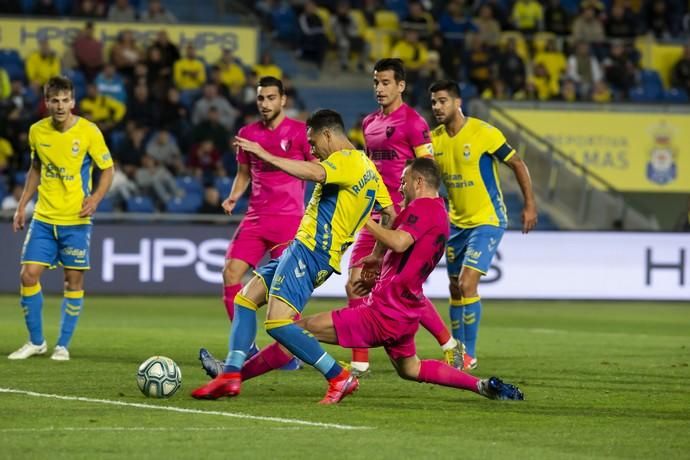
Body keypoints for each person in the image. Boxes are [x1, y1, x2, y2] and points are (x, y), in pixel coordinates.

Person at [194, 158, 524, 404]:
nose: (401, 186)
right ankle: (481, 385)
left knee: (291, 332)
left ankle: (233, 375)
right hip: (404, 313)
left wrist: (363, 217)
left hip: (382, 314)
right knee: (411, 369)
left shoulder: (424, 207)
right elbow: (400, 250)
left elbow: (399, 241)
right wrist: (378, 259)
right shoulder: (435, 211)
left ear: (420, 182)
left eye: (406, 181)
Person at [191, 109, 394, 404]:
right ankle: (231, 375)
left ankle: (338, 375)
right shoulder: (369, 169)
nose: (312, 150)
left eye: (313, 143)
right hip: (308, 250)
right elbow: (389, 213)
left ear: (328, 134)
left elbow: (313, 173)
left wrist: (266, 155)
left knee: (277, 324)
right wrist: (376, 256)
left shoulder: (344, 160)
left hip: (312, 250)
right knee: (245, 299)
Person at [346, 58, 462, 375]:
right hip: (377, 210)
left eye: (386, 82)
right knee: (366, 282)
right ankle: (450, 347)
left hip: (403, 216)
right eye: (376, 82)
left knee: (391, 286)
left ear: (401, 85)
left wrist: (428, 211)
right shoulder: (369, 123)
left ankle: (360, 361)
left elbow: (428, 170)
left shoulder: (413, 122)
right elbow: (373, 166)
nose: (379, 88)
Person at [199, 77, 315, 373]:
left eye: (271, 98)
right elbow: (243, 172)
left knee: (285, 292)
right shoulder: (248, 133)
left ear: (283, 100)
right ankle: (248, 349)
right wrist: (233, 196)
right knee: (230, 273)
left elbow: (316, 170)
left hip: (289, 221)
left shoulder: (301, 133)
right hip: (255, 218)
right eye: (261, 98)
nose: (265, 104)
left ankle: (286, 355)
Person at [428, 79, 538, 370]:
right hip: (456, 225)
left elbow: (517, 164)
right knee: (454, 288)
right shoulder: (434, 140)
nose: (437, 107)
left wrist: (529, 204)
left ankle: (469, 353)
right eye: (434, 102)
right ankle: (457, 351)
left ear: (457, 102)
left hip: (487, 219)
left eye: (443, 101)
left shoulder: (484, 132)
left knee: (467, 283)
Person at [8, 75, 114, 361]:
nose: (60, 105)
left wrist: (95, 199)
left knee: (73, 281)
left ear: (73, 101)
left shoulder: (89, 132)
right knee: (28, 275)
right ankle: (36, 341)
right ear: (46, 102)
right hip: (44, 217)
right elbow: (35, 169)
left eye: (65, 100)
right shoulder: (37, 132)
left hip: (76, 219)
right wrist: (21, 206)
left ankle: (62, 345)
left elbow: (108, 169)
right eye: (54, 100)